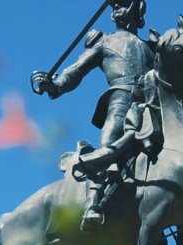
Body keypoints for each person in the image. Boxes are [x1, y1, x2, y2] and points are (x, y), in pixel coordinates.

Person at [35, 0, 154, 229]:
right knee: (109, 141)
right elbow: (77, 69)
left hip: (150, 104)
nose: (117, 10)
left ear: (136, 11)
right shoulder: (105, 41)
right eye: (115, 7)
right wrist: (56, 86)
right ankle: (93, 204)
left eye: (123, 5)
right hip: (121, 97)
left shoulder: (151, 47)